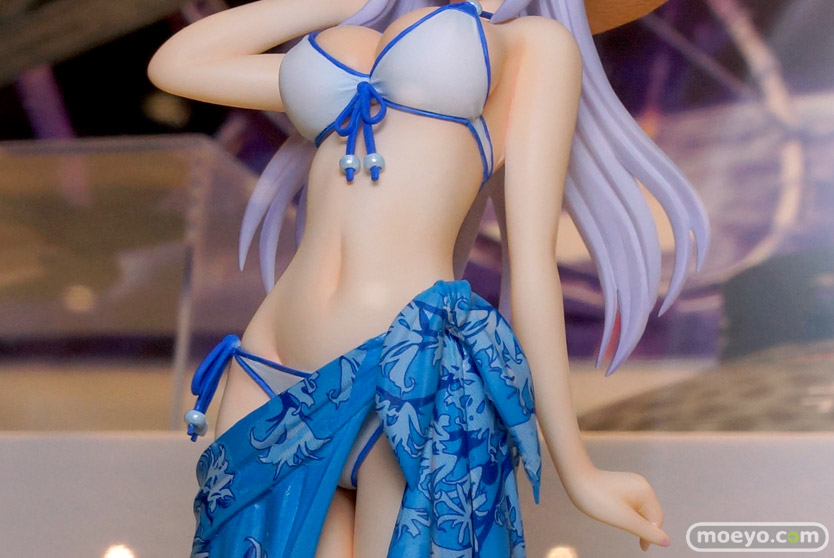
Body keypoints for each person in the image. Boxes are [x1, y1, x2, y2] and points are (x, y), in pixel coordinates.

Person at [147, 0, 709, 556]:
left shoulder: (534, 45)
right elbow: (178, 64)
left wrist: (577, 470)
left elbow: (531, 264)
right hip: (267, 366)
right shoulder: (371, 25)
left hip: (404, 374)